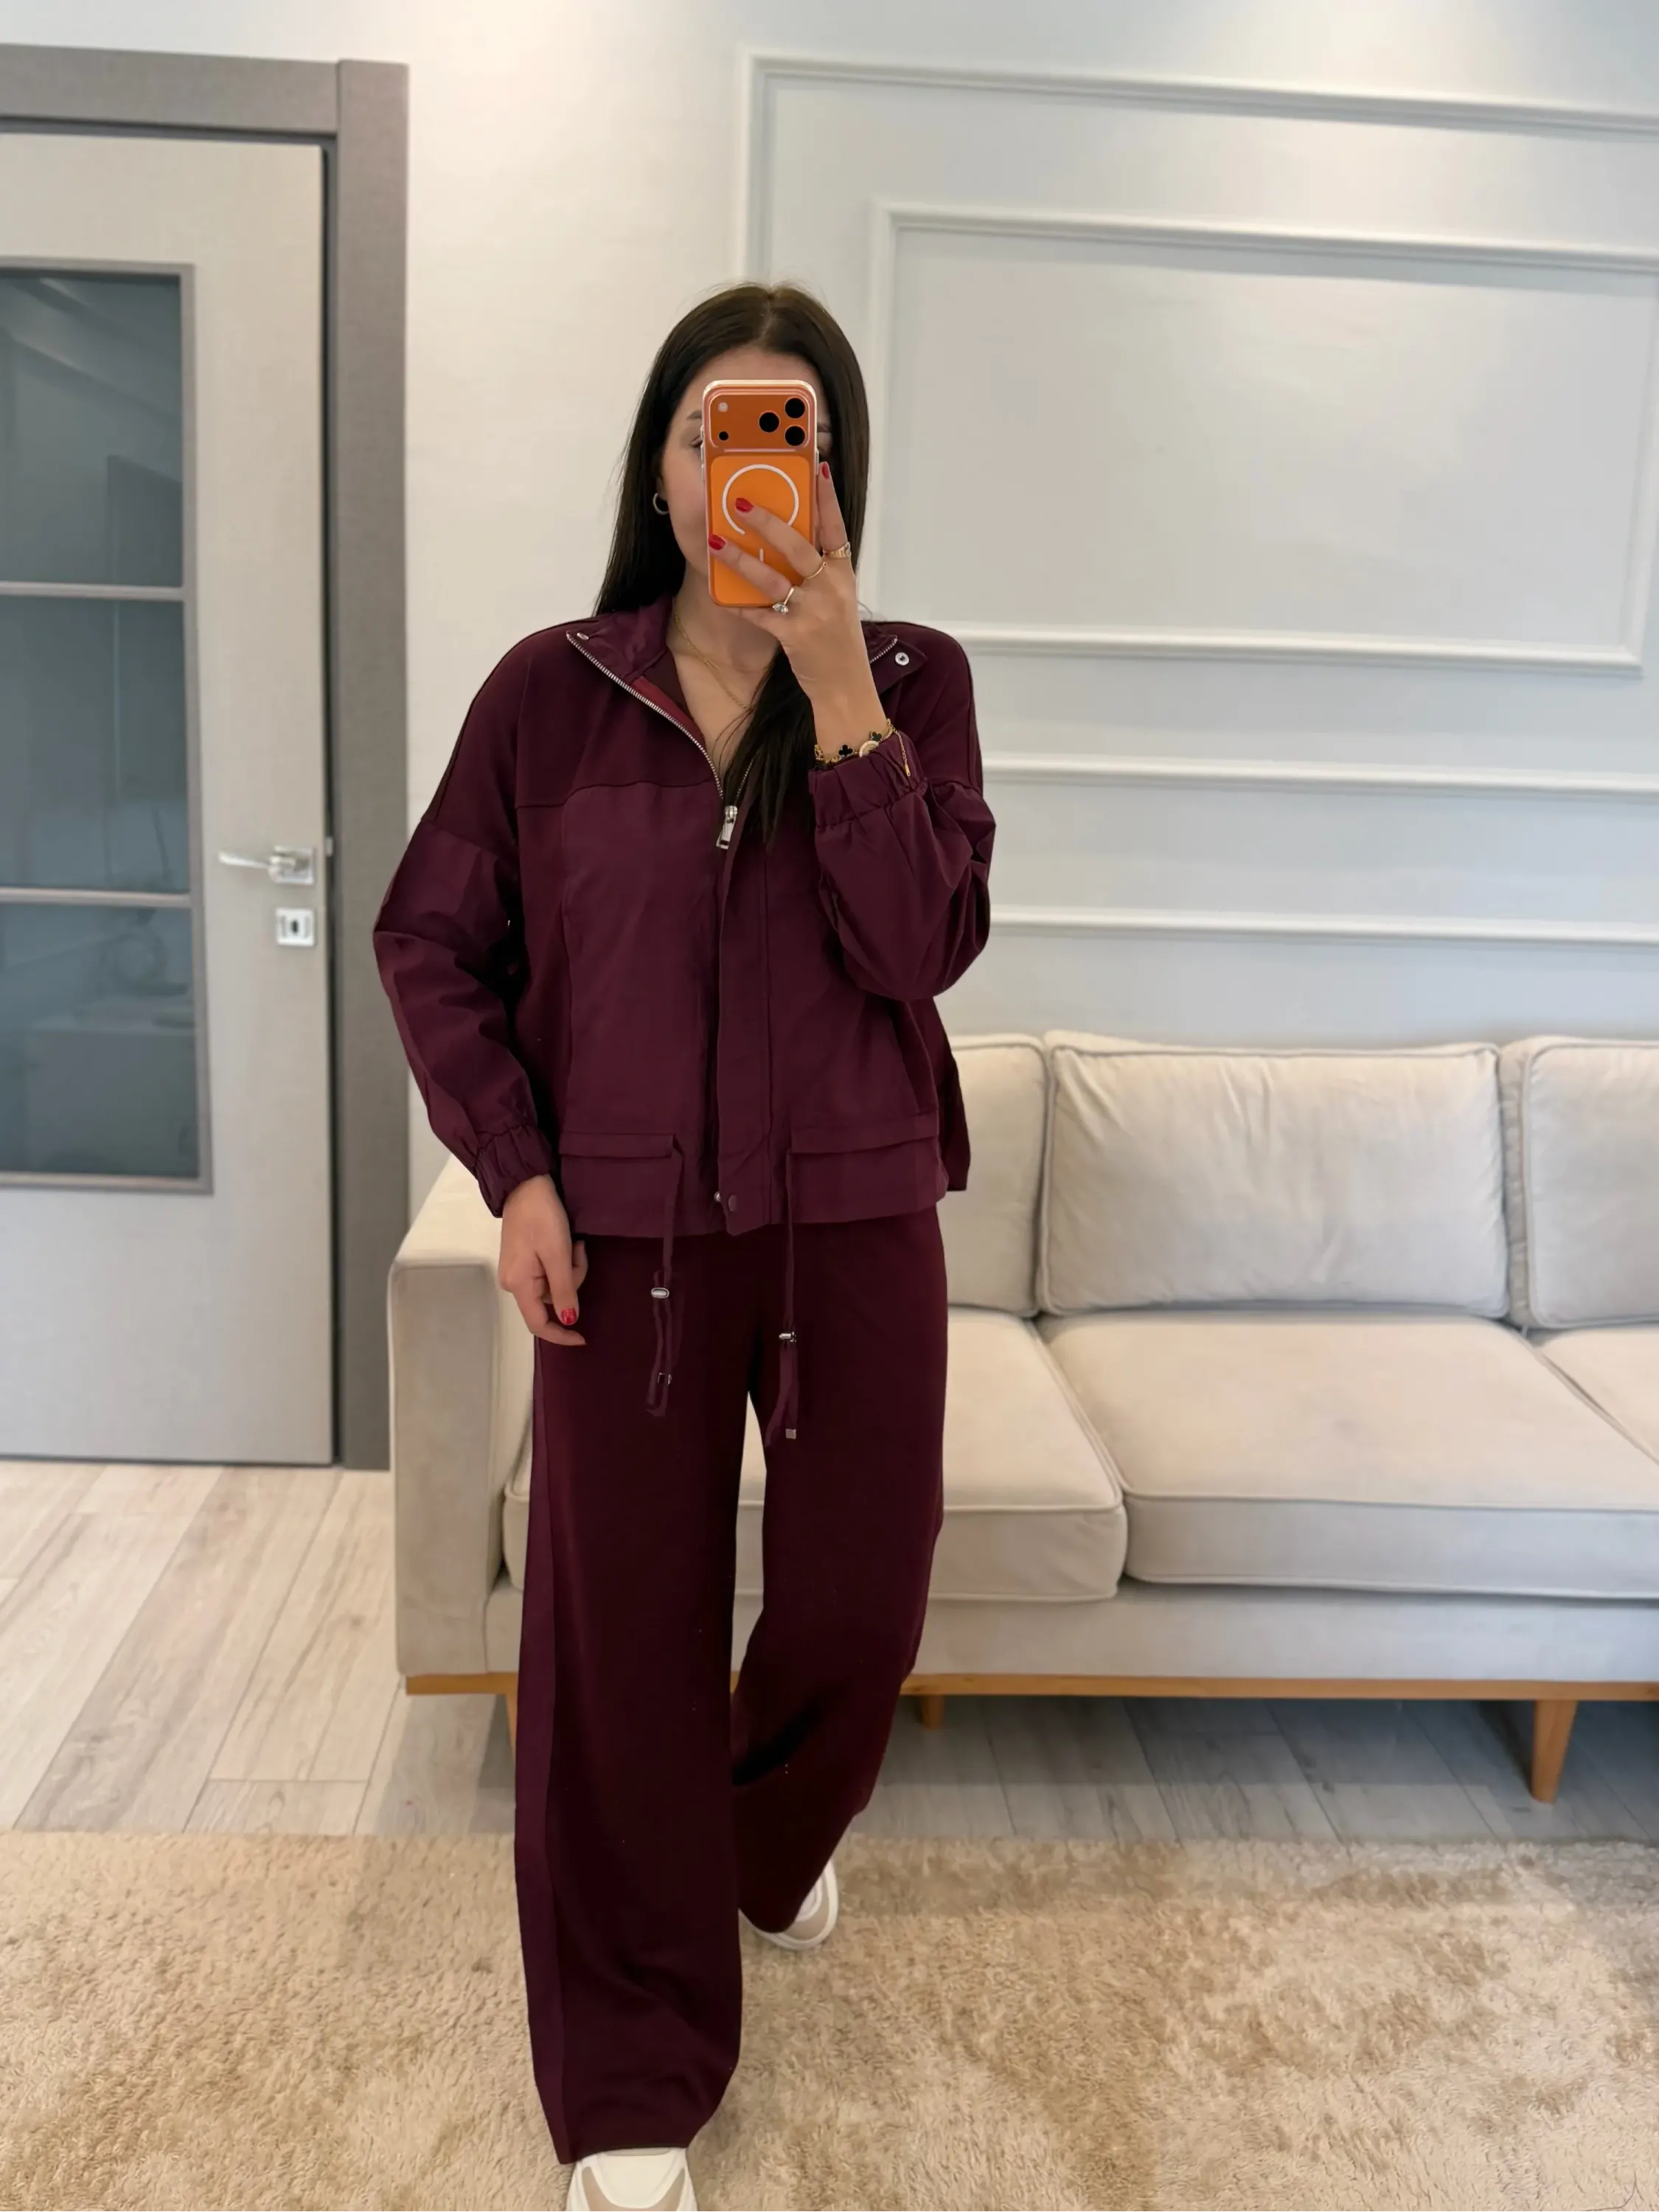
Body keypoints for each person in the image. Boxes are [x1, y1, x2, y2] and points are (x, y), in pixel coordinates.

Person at [371, 279, 995, 2212]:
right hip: (623, 1243)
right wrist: (517, 1176)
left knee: (860, 1612)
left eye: (790, 434)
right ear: (660, 463)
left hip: (853, 1227)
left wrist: (842, 699)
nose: (750, 469)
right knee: (615, 1652)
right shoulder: (550, 693)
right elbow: (429, 941)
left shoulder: (911, 680)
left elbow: (924, 948)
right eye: (718, 428)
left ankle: (759, 1844)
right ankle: (635, 2064)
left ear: (834, 472)